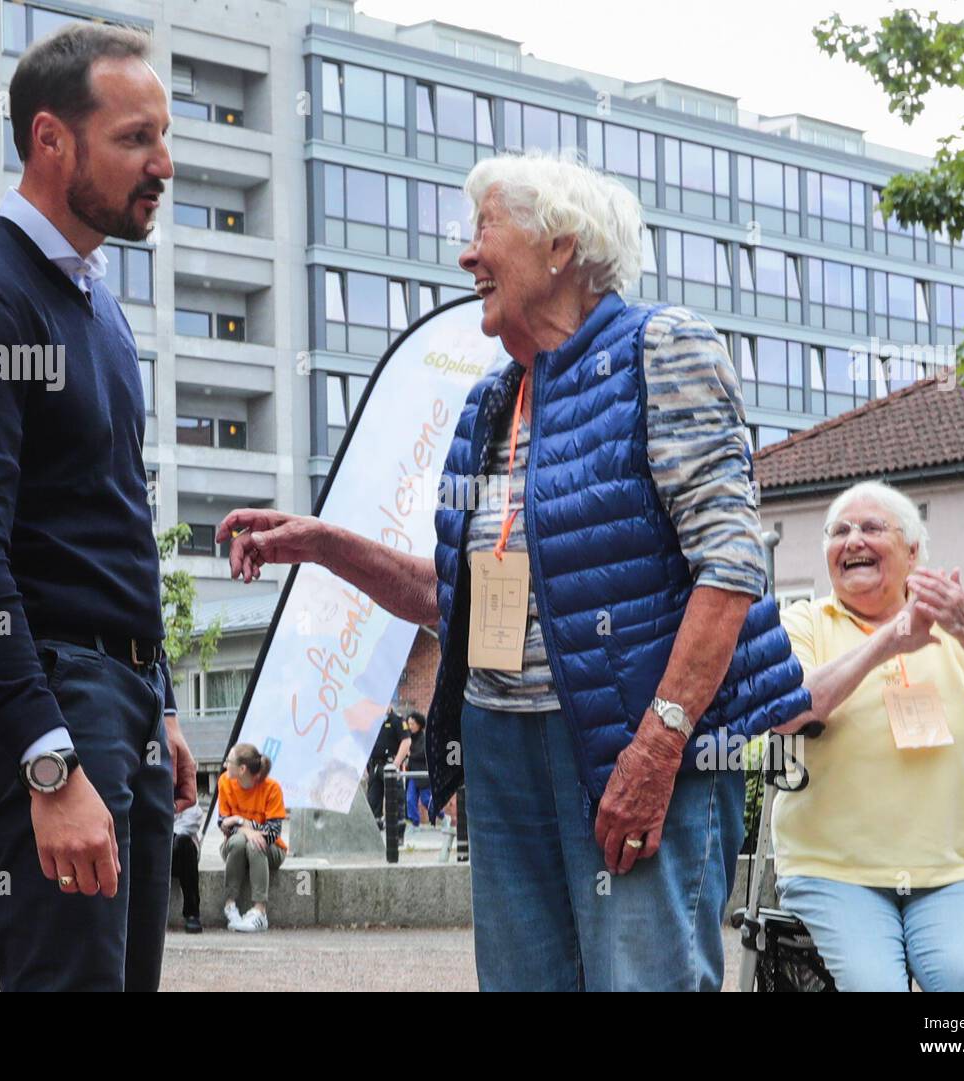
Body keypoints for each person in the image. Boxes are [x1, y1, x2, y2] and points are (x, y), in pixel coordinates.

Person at [216, 151, 809, 991]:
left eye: (485, 228)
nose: (467, 255)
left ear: (562, 245)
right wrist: (321, 542)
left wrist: (660, 743)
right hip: (504, 747)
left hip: (628, 743)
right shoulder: (491, 402)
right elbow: (453, 600)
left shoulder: (662, 350)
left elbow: (731, 563)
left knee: (642, 981)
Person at [0, 23, 196, 991]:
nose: (164, 164)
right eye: (136, 138)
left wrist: (164, 700)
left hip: (123, 701)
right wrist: (47, 761)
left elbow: (115, 522)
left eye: (164, 136)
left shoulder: (97, 307)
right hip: (52, 699)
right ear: (49, 140)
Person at [771, 480, 964, 991]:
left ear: (912, 552)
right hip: (834, 873)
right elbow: (788, 708)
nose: (853, 541)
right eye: (838, 531)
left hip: (951, 874)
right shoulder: (804, 621)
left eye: (871, 528)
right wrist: (891, 640)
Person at [219, 743, 288, 933]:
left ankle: (260, 912)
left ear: (242, 769)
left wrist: (239, 822)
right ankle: (230, 905)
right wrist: (246, 829)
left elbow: (273, 832)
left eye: (229, 761)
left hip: (271, 850)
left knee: (255, 843)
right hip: (235, 848)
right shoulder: (225, 782)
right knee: (242, 841)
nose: (225, 764)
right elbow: (222, 824)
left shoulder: (271, 788)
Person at [396, 712, 442, 828]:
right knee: (410, 799)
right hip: (412, 774)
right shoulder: (407, 738)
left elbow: (424, 753)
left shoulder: (425, 737)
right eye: (409, 724)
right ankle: (415, 823)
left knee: (426, 800)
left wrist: (410, 754)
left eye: (413, 724)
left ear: (419, 724)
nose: (410, 726)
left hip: (423, 774)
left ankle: (443, 816)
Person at [365, 708, 405, 824]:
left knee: (395, 799)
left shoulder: (396, 720)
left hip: (389, 764)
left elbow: (406, 741)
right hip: (374, 765)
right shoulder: (372, 722)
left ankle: (398, 835)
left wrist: (395, 764)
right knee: (373, 802)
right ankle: (375, 831)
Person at [171, 801, 205, 934]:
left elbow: (193, 818)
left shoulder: (184, 788)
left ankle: (192, 914)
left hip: (181, 853)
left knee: (183, 842)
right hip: (157, 848)